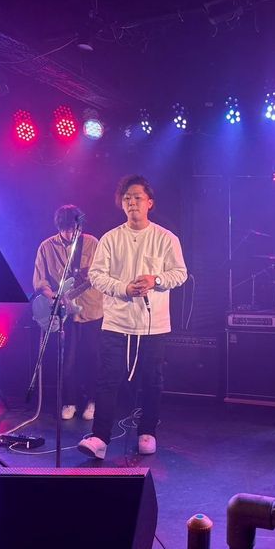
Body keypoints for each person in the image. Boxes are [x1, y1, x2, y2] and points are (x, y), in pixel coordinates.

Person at [77, 174, 187, 460]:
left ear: (149, 202)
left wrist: (156, 280)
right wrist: (123, 288)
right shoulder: (111, 238)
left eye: (137, 197)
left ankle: (147, 432)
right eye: (127, 198)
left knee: (152, 380)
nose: (132, 202)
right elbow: (96, 275)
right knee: (108, 379)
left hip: (153, 325)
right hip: (116, 322)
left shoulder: (166, 238)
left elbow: (180, 273)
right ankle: (100, 437)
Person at [33, 204, 103, 420]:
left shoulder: (92, 243)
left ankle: (93, 401)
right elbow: (40, 281)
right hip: (63, 313)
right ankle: (69, 401)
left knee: (93, 357)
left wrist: (93, 277)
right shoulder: (47, 247)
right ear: (58, 227)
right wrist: (52, 296)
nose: (70, 234)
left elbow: (101, 274)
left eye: (74, 229)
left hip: (91, 309)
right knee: (66, 359)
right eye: (65, 230)